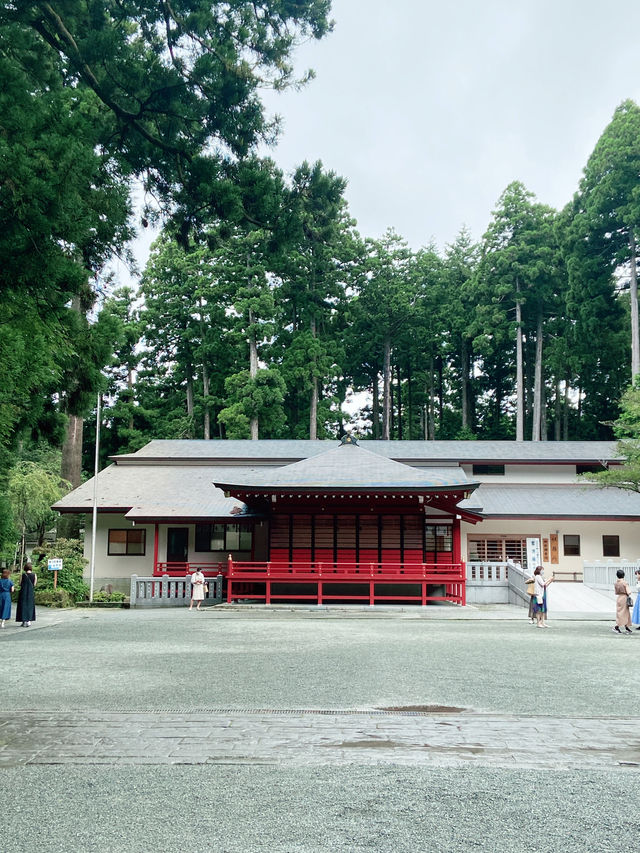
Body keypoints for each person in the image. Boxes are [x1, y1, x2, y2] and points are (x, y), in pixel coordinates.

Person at [16, 562, 37, 627]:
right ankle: (29, 621)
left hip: (23, 592)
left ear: (25, 568)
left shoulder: (23, 575)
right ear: (31, 568)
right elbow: (34, 584)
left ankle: (23, 621)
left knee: (23, 606)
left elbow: (20, 583)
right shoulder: (34, 575)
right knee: (30, 606)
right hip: (30, 592)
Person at [613, 568, 633, 634]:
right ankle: (617, 627)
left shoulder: (616, 583)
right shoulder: (625, 582)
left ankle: (626, 627)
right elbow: (629, 592)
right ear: (623, 575)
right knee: (625, 613)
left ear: (617, 575)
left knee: (620, 612)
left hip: (619, 598)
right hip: (624, 597)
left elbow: (616, 592)